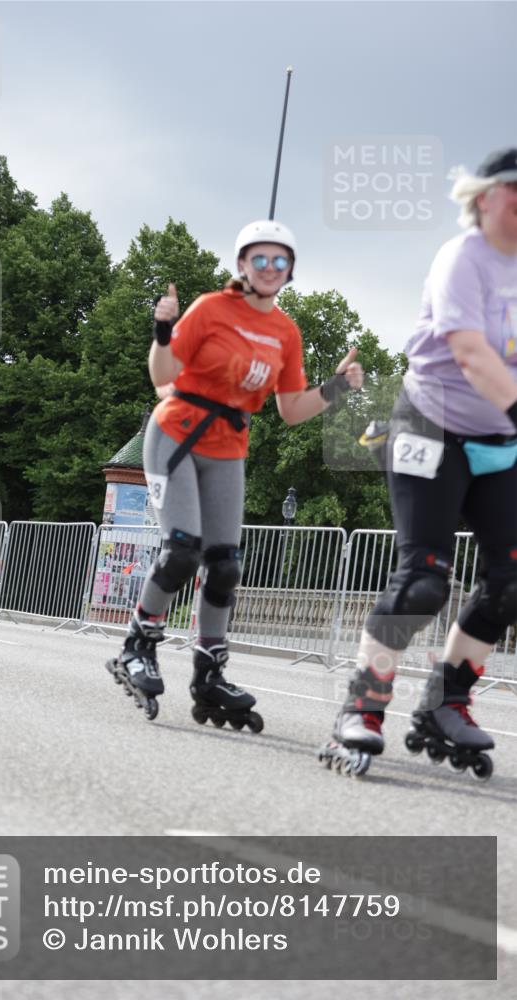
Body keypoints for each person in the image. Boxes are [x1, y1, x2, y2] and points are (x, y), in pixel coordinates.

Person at [106, 219, 363, 726]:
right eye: (259, 259)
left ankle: (208, 673)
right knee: (182, 549)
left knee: (224, 564)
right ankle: (138, 644)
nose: (270, 268)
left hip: (229, 447)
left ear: (289, 271)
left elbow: (290, 409)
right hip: (176, 434)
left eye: (280, 261)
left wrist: (334, 387)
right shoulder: (210, 308)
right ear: (243, 264)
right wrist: (163, 330)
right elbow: (161, 375)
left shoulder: (286, 332)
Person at [322, 147, 517, 778]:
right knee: (424, 578)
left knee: (511, 580)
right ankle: (363, 708)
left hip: (496, 439)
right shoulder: (463, 258)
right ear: (484, 196)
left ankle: (445, 703)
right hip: (429, 426)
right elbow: (471, 355)